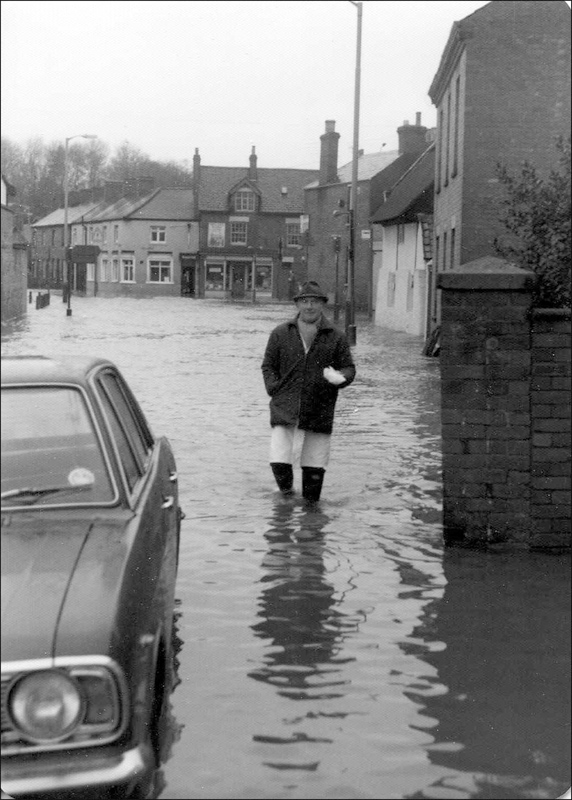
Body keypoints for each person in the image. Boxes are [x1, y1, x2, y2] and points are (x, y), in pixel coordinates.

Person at [261, 279, 356, 504]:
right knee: (279, 456)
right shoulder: (281, 333)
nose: (309, 306)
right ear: (297, 305)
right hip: (285, 403)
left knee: (315, 459)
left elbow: (349, 368)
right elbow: (268, 365)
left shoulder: (336, 336)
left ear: (322, 304)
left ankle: (311, 509)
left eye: (314, 302)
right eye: (305, 302)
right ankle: (286, 498)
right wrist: (274, 388)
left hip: (319, 405)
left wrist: (340, 378)